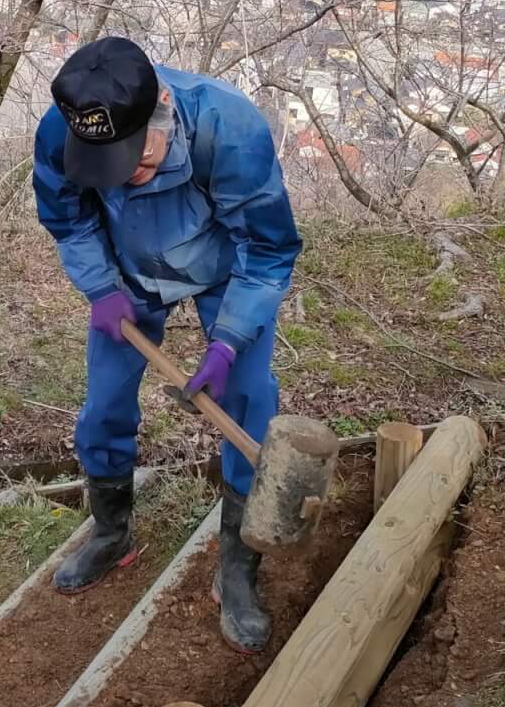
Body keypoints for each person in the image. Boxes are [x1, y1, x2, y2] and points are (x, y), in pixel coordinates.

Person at [32, 36, 302, 652]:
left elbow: (267, 249)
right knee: (104, 403)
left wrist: (229, 341)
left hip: (226, 272)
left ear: (163, 106)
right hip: (127, 274)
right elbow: (68, 217)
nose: (123, 176)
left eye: (136, 158)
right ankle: (112, 532)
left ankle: (238, 566)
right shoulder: (64, 127)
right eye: (106, 165)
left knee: (249, 401)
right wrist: (101, 288)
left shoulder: (228, 129)